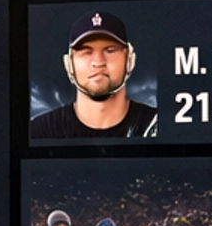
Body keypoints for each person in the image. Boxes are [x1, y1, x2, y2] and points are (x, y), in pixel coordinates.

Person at [30, 12, 157, 140]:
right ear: (69, 63)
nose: (98, 62)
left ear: (129, 59)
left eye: (110, 50)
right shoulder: (39, 131)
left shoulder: (156, 124)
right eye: (86, 52)